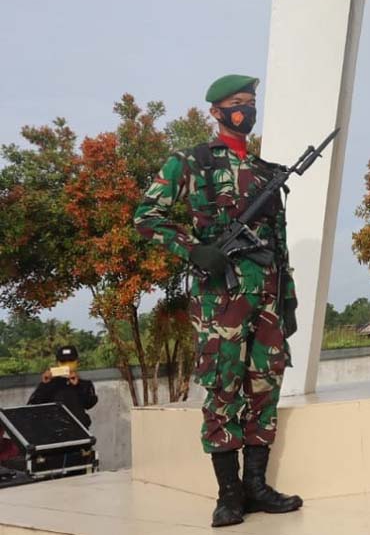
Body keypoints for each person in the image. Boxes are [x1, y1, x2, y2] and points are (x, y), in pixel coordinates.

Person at [133, 75, 302, 528]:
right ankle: (228, 495)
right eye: (235, 103)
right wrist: (194, 249)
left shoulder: (267, 172)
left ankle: (257, 487)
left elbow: (279, 245)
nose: (244, 110)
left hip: (266, 294)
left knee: (264, 386)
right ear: (215, 111)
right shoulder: (189, 162)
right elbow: (146, 217)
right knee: (223, 389)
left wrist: (287, 300)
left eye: (249, 103)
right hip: (220, 299)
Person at [27, 346, 98, 428]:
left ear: (77, 362)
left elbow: (89, 403)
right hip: (54, 430)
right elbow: (33, 404)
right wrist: (44, 384)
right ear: (57, 363)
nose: (67, 364)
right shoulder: (49, 383)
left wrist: (77, 385)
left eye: (70, 361)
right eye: (63, 361)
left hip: (78, 430)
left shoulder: (84, 384)